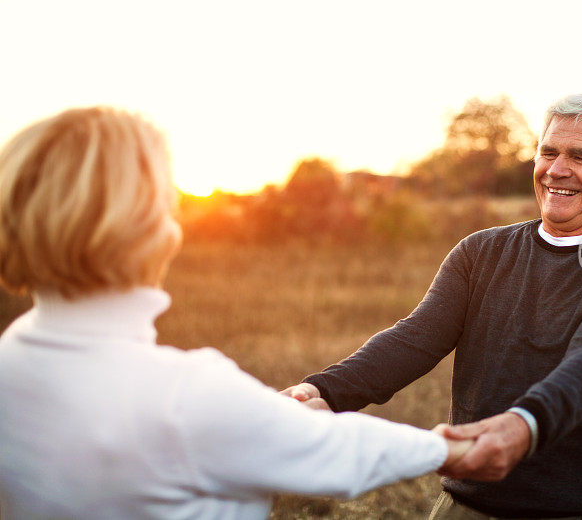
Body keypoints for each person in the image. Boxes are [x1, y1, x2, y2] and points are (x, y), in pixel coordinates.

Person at [0, 107, 473, 519]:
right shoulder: (184, 394)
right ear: (143, 229)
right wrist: (444, 448)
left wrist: (301, 398)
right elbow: (337, 454)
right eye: (165, 204)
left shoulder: (11, 361)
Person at [282, 93, 582, 519]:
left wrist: (523, 425)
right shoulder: (480, 252)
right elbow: (413, 340)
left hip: (575, 509)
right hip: (465, 504)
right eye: (548, 152)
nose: (557, 170)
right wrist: (322, 391)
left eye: (580, 157)